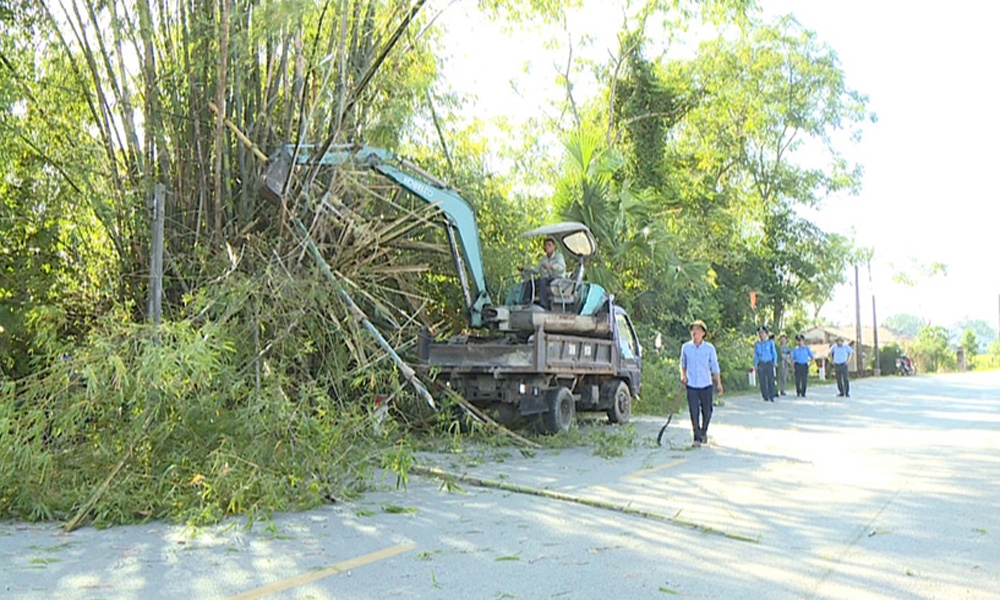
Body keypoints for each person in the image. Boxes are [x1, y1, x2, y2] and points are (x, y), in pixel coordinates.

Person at [680, 319, 723, 447]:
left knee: (707, 411)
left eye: (698, 330)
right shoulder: (686, 348)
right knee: (694, 411)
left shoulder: (709, 348)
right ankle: (697, 438)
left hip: (706, 384)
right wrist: (683, 376)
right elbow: (682, 364)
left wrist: (719, 383)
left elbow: (715, 367)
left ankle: (703, 431)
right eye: (693, 330)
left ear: (703, 333)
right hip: (692, 384)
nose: (695, 332)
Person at [518, 237, 565, 309]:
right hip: (547, 279)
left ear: (554, 247)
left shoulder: (559, 256)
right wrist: (525, 269)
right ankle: (525, 301)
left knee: (543, 281)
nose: (547, 247)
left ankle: (544, 304)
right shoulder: (543, 258)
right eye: (546, 245)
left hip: (557, 279)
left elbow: (562, 268)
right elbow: (536, 270)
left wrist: (551, 266)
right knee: (530, 282)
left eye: (549, 245)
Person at [753, 326, 778, 402]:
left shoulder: (770, 343)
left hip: (769, 362)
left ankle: (771, 395)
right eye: (760, 333)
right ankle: (765, 396)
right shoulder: (757, 344)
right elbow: (756, 355)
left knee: (770, 379)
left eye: (763, 333)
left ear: (766, 334)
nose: (761, 335)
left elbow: (774, 353)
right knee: (762, 380)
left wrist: (775, 362)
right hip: (761, 363)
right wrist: (755, 364)